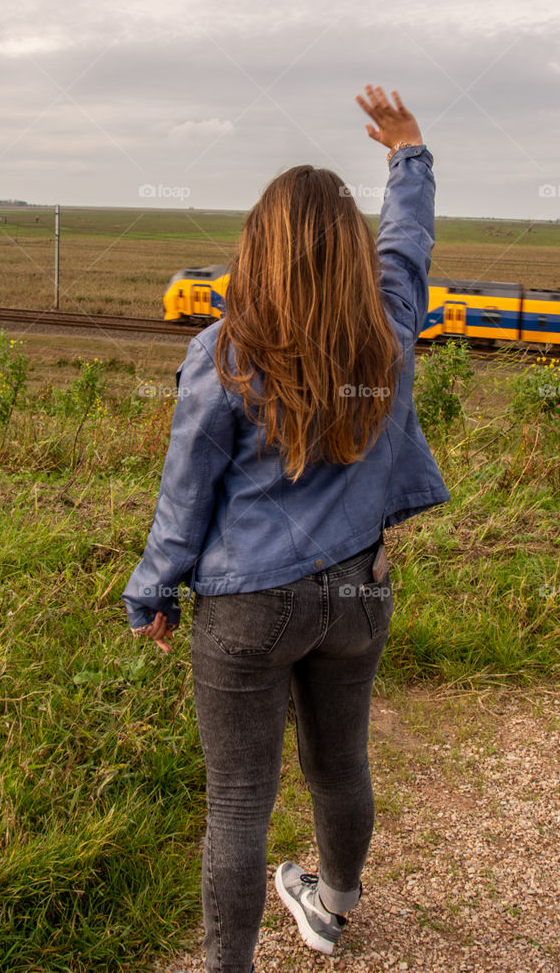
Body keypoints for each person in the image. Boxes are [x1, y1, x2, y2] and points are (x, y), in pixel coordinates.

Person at [121, 84, 450, 973]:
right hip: (356, 591)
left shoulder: (224, 352)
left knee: (237, 802)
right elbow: (407, 241)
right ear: (349, 252)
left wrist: (151, 592)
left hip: (245, 605)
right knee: (339, 765)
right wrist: (406, 152)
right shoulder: (387, 325)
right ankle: (333, 905)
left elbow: (183, 496)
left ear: (255, 250)